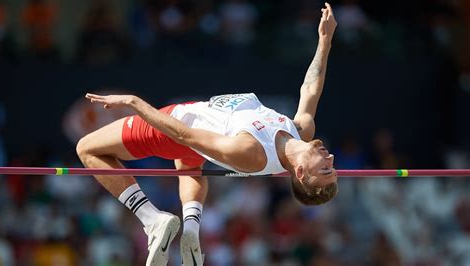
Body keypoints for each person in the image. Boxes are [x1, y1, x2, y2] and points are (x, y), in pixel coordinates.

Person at [76, 3, 338, 266]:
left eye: (326, 169)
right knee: (189, 162)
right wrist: (325, 41)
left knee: (87, 148)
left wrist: (136, 103)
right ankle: (191, 230)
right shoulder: (301, 130)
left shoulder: (251, 153)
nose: (331, 158)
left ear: (301, 173)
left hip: (175, 126)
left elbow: (185, 136)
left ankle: (151, 219)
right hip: (196, 137)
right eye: (333, 167)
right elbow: (310, 89)